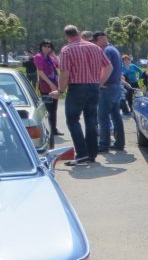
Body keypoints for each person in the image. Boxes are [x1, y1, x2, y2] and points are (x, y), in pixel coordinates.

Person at [58, 24, 112, 166]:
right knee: (91, 120)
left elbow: (65, 73)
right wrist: (99, 83)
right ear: (79, 32)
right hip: (93, 87)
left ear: (66, 36)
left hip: (77, 88)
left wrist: (60, 90)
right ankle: (92, 153)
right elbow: (109, 67)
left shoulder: (67, 50)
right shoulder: (94, 47)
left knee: (72, 120)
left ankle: (82, 153)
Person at [92, 32, 125, 152]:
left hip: (108, 87)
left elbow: (106, 68)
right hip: (116, 86)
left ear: (101, 39)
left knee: (103, 117)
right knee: (116, 116)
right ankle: (120, 143)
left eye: (95, 41)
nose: (95, 44)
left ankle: (104, 145)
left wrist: (100, 83)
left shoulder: (106, 51)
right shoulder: (114, 49)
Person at [33, 40, 62, 138]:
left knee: (54, 109)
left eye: (49, 46)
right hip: (46, 86)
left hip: (55, 85)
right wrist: (50, 84)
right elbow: (40, 72)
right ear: (41, 47)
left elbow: (61, 66)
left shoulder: (50, 58)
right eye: (45, 46)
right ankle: (46, 128)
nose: (47, 48)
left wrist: (55, 56)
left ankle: (54, 129)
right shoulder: (38, 57)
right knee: (48, 109)